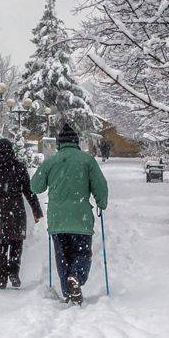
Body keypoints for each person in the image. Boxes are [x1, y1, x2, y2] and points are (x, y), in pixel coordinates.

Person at [31, 124, 109, 305]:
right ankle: (76, 277)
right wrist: (101, 203)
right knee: (82, 253)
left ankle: (68, 292)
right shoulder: (87, 160)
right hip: (80, 217)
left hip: (58, 219)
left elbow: (35, 186)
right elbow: (100, 186)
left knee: (62, 256)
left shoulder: (51, 161)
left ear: (59, 143)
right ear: (76, 142)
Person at [0, 137, 43, 289]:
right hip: (15, 209)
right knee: (16, 241)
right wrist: (37, 211)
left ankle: (1, 277)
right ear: (11, 150)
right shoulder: (18, 167)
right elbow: (29, 191)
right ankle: (14, 271)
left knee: (0, 243)